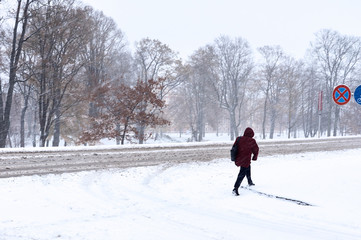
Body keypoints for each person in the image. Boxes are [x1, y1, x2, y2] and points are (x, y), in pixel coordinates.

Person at [232, 127, 259, 196]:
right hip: (245, 159)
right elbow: (256, 150)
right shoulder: (251, 141)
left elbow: (234, 147)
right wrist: (254, 157)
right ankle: (235, 188)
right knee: (242, 173)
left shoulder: (239, 138)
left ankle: (249, 181)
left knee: (247, 167)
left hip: (239, 158)